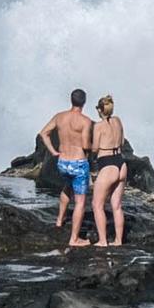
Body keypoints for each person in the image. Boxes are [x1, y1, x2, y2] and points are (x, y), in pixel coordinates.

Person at [37, 88, 95, 247]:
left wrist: (54, 151)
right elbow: (85, 145)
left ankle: (59, 220)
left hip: (62, 162)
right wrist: (93, 147)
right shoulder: (85, 121)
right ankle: (74, 239)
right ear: (84, 102)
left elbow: (43, 133)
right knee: (80, 202)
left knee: (67, 187)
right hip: (78, 163)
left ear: (71, 100)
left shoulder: (59, 116)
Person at [89, 95, 128, 247]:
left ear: (100, 110)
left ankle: (103, 241)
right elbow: (122, 141)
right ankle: (118, 240)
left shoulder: (98, 126)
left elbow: (95, 148)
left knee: (97, 205)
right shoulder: (118, 120)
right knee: (116, 205)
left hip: (107, 164)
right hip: (121, 163)